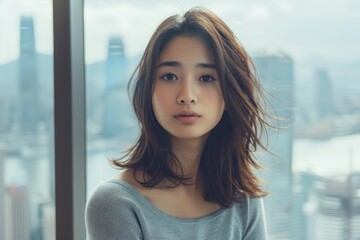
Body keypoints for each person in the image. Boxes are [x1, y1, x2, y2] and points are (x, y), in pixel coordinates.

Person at [86, 7, 270, 240]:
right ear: (148, 91)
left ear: (229, 93)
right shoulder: (116, 203)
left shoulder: (243, 199)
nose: (187, 95)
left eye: (206, 78)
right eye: (170, 76)